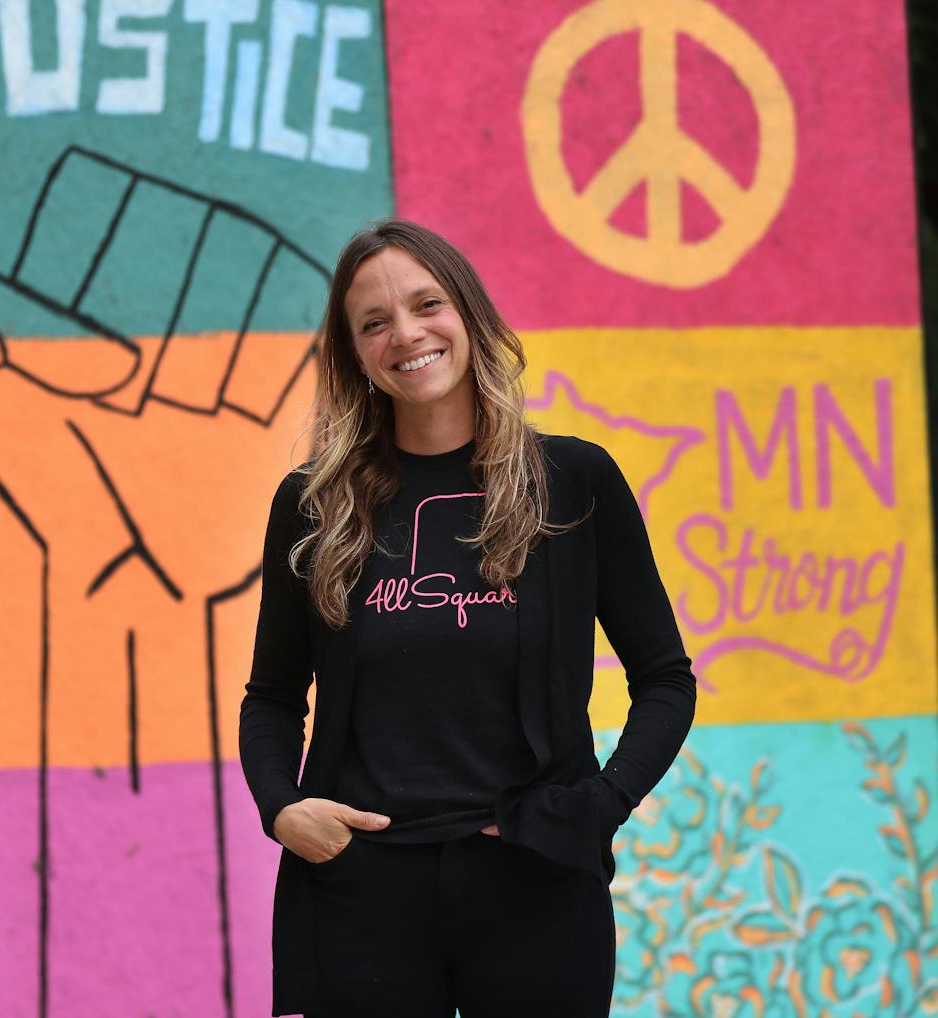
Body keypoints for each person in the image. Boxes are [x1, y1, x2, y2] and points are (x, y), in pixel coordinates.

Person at [239, 219, 696, 1017]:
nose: (406, 335)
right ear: (353, 354)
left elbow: (665, 679)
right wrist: (281, 807)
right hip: (361, 887)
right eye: (373, 323)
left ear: (469, 314)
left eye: (426, 305)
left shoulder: (572, 482)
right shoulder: (315, 504)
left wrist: (599, 804)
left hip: (536, 879)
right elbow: (273, 695)